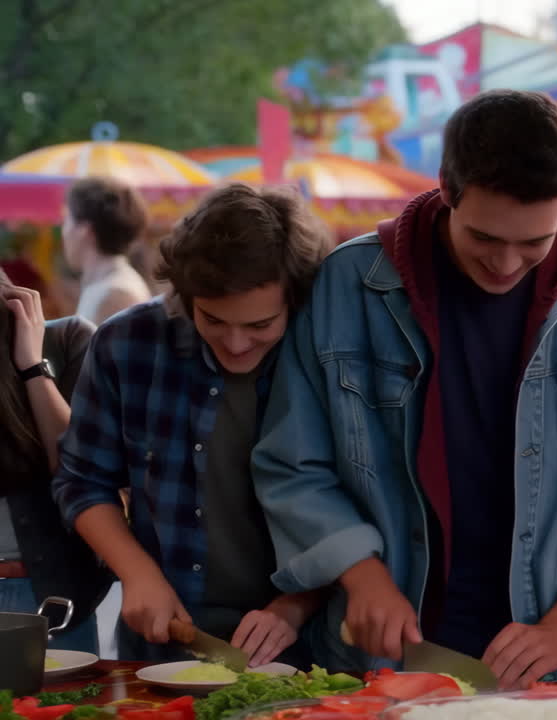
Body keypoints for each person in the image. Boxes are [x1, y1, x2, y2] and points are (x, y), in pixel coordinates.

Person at [252, 89, 557, 686]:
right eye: (484, 238)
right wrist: (362, 577)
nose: (505, 264)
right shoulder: (348, 284)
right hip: (377, 658)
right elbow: (292, 463)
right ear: (446, 191)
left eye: (534, 242)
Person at [52, 184, 330, 664]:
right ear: (184, 293)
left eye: (261, 326)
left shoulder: (327, 354)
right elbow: (82, 480)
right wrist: (137, 573)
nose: (237, 343)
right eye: (214, 320)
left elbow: (366, 506)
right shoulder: (127, 342)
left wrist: (295, 606)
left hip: (307, 646)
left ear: (295, 300)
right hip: (164, 643)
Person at [0, 269, 110, 651]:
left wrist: (32, 367)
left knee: (65, 708)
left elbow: (81, 472)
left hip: (50, 595)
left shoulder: (69, 341)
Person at [62, 177, 153, 325]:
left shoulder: (116, 294)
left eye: (67, 219)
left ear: (84, 230)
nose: (64, 232)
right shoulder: (105, 285)